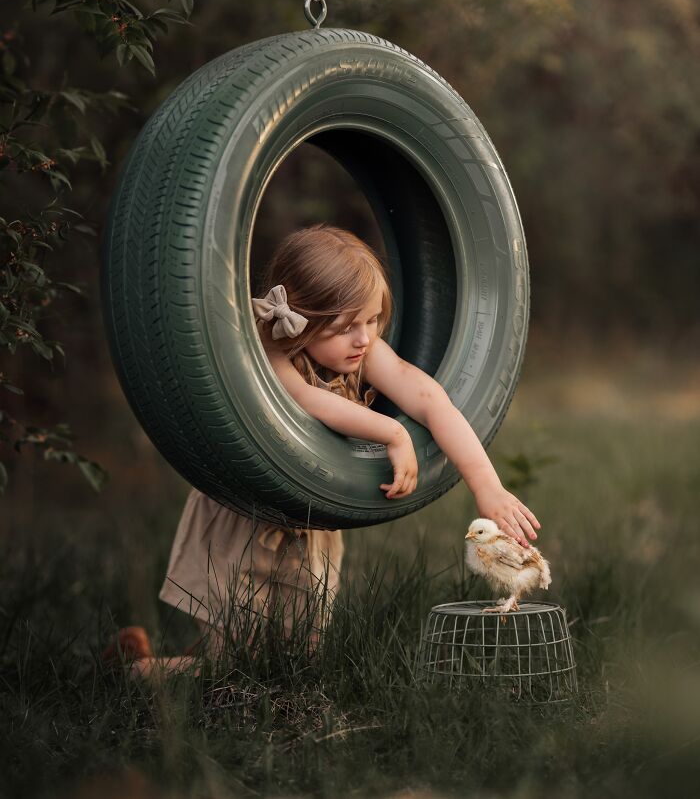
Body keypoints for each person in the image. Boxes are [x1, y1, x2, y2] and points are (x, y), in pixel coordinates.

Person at [102, 223, 540, 678]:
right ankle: (135, 673)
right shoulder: (267, 351)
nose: (365, 338)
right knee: (238, 663)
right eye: (347, 326)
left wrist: (487, 487)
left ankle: (148, 666)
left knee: (298, 660)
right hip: (242, 516)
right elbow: (308, 400)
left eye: (372, 320)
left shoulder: (362, 351)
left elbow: (429, 398)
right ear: (303, 316)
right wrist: (393, 433)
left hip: (312, 525)